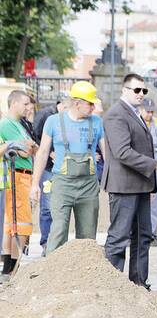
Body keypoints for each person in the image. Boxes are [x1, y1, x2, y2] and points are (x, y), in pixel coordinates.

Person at [101, 73, 157, 287]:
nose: (141, 94)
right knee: (119, 236)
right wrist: (155, 166)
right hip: (124, 186)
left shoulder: (135, 113)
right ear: (124, 90)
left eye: (144, 91)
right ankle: (112, 286)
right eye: (137, 90)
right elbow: (123, 152)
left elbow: (143, 147)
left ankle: (138, 283)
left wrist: (150, 183)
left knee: (143, 236)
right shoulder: (116, 114)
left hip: (141, 185)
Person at [30, 82, 105, 254]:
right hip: (62, 184)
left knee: (87, 236)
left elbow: (108, 155)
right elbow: (42, 153)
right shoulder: (54, 121)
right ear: (77, 103)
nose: (93, 107)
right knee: (58, 230)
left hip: (89, 185)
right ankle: (53, 275)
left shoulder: (97, 122)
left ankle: (84, 275)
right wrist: (35, 184)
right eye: (90, 103)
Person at [0, 90, 39, 275]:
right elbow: (25, 150)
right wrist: (27, 146)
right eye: (25, 104)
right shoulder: (7, 124)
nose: (28, 107)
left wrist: (29, 146)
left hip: (22, 175)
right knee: (21, 223)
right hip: (18, 175)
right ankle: (13, 269)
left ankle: (9, 269)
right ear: (14, 103)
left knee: (12, 223)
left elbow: (33, 147)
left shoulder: (19, 124)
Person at [31, 97, 67, 254]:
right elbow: (34, 136)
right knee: (46, 206)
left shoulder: (66, 118)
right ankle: (46, 242)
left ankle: (55, 242)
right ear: (64, 105)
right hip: (47, 167)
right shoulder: (46, 114)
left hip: (61, 168)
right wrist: (49, 152)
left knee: (58, 207)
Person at [137, 97, 157, 245]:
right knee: (138, 200)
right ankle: (136, 233)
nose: (150, 114)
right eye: (147, 111)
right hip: (141, 166)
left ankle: (152, 234)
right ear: (141, 110)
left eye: (152, 112)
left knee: (155, 201)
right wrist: (152, 141)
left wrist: (147, 140)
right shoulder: (136, 121)